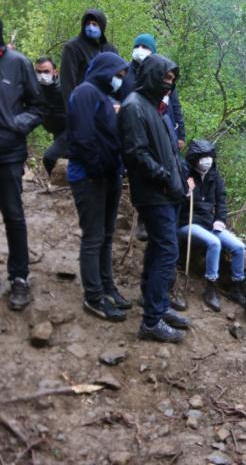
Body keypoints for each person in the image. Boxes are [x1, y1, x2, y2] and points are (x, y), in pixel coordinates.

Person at [118, 54, 191, 343]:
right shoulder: (134, 107)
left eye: (172, 80)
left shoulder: (152, 107)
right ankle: (152, 321)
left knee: (159, 250)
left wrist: (181, 175)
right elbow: (136, 154)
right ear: (152, 75)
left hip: (166, 191)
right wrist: (165, 177)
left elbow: (169, 150)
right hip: (154, 193)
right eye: (166, 78)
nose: (169, 85)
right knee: (168, 252)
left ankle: (155, 306)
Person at [66, 52, 133, 321]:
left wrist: (114, 169)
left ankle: (107, 287)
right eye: (117, 74)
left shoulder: (106, 97)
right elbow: (82, 137)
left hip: (108, 175)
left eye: (122, 76)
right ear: (105, 70)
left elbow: (108, 135)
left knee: (106, 235)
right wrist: (97, 169)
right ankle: (93, 297)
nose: (119, 80)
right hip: (89, 177)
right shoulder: (85, 93)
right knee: (93, 236)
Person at [0, 19, 43, 310]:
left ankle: (19, 278)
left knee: (14, 215)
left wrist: (18, 124)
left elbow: (38, 106)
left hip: (8, 154)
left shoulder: (19, 63)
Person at [178, 139, 246, 312]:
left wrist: (220, 220)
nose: (206, 160)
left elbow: (221, 202)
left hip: (209, 225)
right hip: (188, 222)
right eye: (203, 156)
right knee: (214, 243)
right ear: (194, 158)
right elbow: (175, 201)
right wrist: (184, 193)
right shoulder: (185, 174)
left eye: (209, 156)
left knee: (239, 247)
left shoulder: (215, 177)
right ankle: (211, 287)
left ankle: (236, 288)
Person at [120, 34, 185, 150]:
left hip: (163, 127)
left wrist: (181, 135)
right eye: (137, 46)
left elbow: (175, 106)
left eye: (145, 47)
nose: (140, 49)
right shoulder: (123, 72)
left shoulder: (164, 73)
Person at [60, 9, 119, 108]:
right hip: (83, 104)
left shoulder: (110, 49)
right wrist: (73, 109)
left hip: (107, 105)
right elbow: (68, 82)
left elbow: (118, 77)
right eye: (88, 23)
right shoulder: (73, 47)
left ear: (102, 26)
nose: (91, 27)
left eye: (95, 24)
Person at [35, 57, 68, 178]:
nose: (42, 75)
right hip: (57, 130)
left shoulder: (65, 89)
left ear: (55, 72)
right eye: (38, 72)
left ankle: (56, 184)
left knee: (49, 158)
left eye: (46, 72)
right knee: (69, 158)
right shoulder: (36, 88)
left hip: (70, 130)